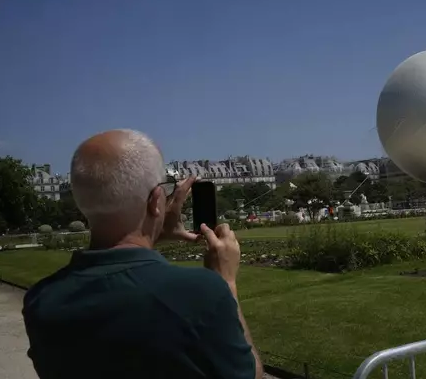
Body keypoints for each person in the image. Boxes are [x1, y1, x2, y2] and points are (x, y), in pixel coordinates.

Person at [22, 129, 263, 379]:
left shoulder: (42, 301)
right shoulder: (199, 293)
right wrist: (226, 282)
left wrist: (152, 232)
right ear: (156, 199)